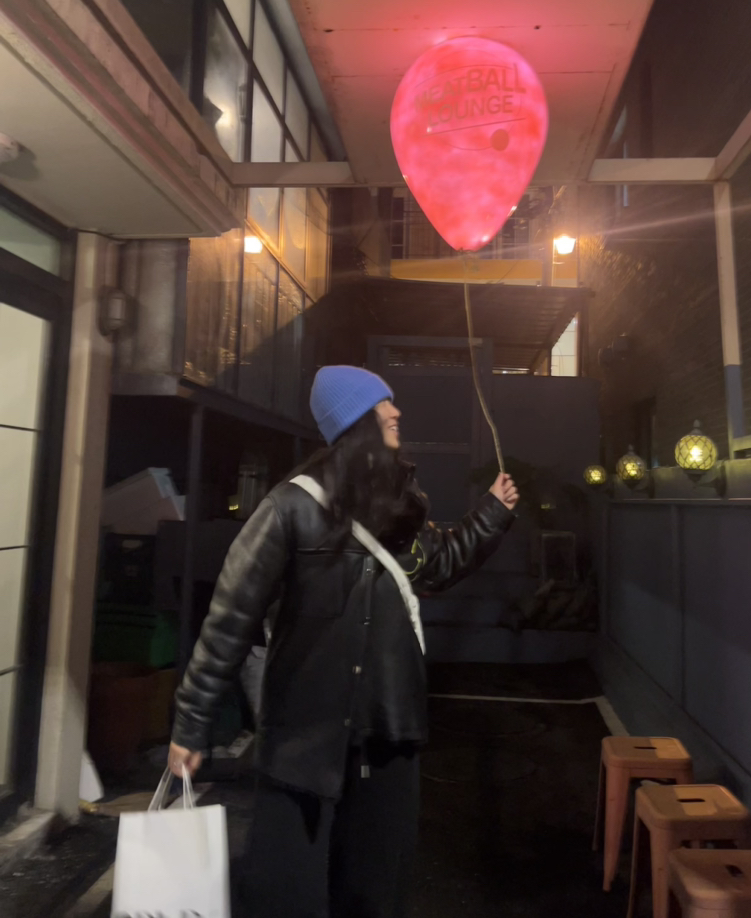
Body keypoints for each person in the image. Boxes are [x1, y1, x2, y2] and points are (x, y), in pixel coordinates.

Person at [168, 365, 519, 918]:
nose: (396, 412)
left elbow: (439, 565)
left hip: (387, 730)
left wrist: (492, 514)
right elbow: (229, 619)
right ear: (356, 419)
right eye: (383, 405)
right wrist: (192, 723)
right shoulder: (289, 507)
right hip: (304, 737)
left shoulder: (397, 506)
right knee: (287, 892)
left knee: (374, 890)